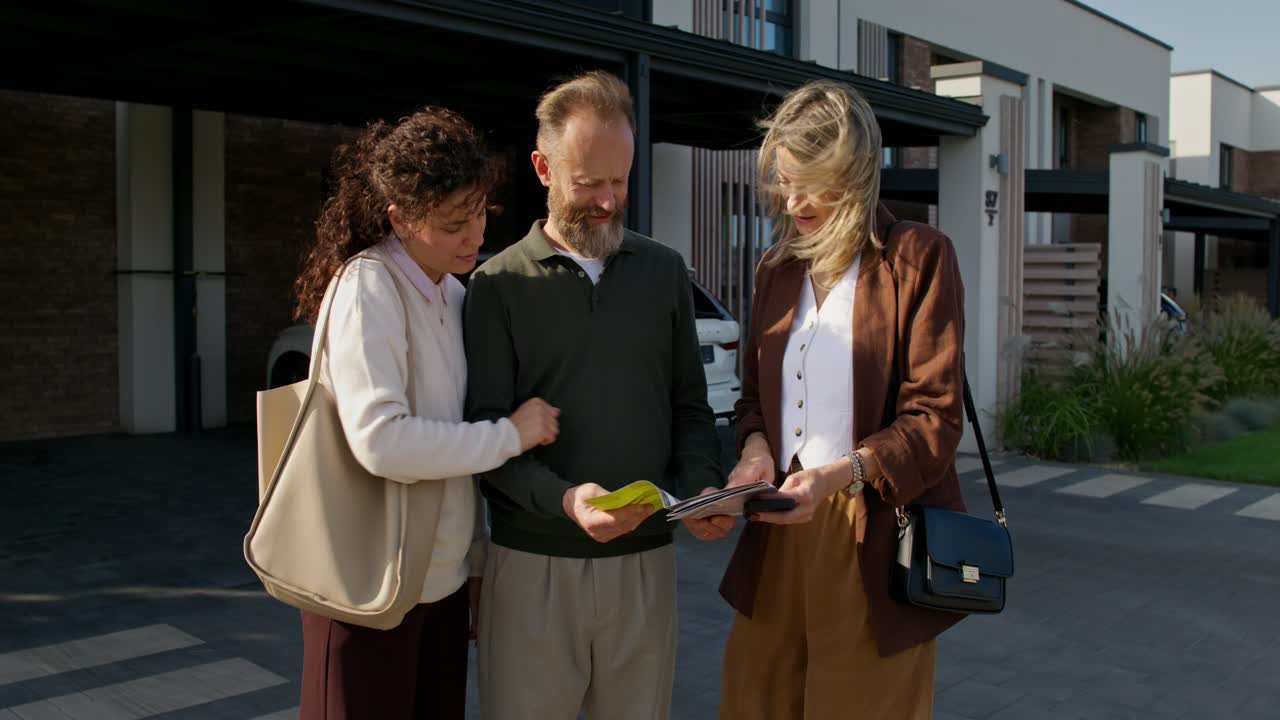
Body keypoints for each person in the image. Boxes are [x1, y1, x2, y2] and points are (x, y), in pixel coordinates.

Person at [690, 79, 969, 719]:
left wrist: (841, 474)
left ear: (857, 172)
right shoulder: (775, 268)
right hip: (778, 527)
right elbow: (756, 402)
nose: (794, 201)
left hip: (868, 531)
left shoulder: (918, 258)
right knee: (754, 697)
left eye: (811, 182)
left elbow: (934, 420)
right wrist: (754, 457)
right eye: (785, 181)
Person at [463, 70, 722, 720]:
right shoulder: (496, 286)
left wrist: (703, 488)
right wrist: (567, 500)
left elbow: (690, 406)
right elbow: (485, 438)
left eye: (621, 181)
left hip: (645, 569)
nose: (608, 202)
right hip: (531, 570)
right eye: (589, 183)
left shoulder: (663, 272)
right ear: (542, 168)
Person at [290, 107, 560, 720]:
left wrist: (473, 565)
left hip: (434, 586)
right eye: (451, 223)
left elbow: (450, 444)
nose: (473, 238)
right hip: (366, 583)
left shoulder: (453, 291)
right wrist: (509, 436)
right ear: (399, 218)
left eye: (479, 216)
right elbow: (382, 443)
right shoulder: (370, 286)